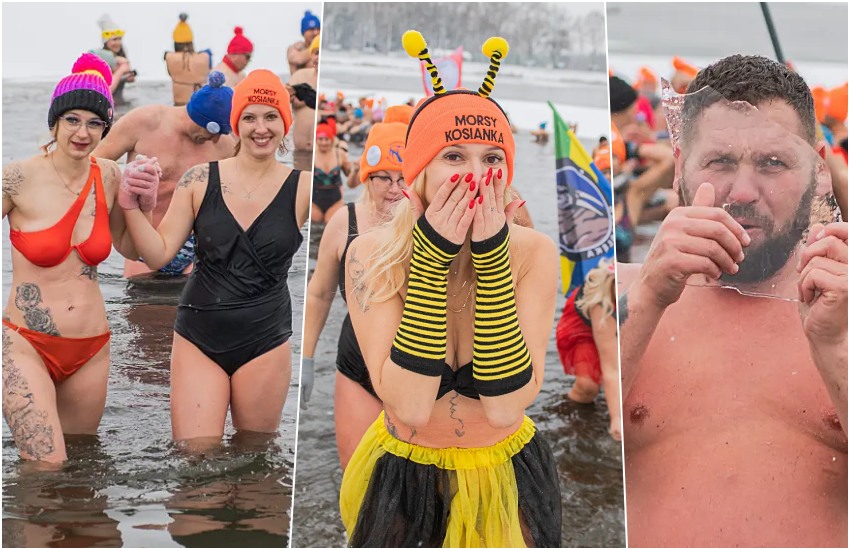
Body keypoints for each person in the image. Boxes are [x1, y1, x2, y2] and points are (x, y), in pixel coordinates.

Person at [339, 32, 561, 547]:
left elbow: (507, 406)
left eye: (491, 159)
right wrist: (434, 257)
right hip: (405, 468)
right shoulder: (368, 254)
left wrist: (492, 259)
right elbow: (410, 406)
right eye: (454, 157)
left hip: (506, 471)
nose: (476, 176)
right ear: (419, 172)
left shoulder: (534, 253)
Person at [618, 54, 847, 547]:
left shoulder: (844, 308)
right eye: (720, 161)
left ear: (816, 170)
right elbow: (567, 439)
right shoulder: (622, 292)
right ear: (681, 164)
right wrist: (650, 297)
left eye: (773, 162)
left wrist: (835, 350)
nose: (742, 191)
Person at [121, 70, 311, 444]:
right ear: (235, 124)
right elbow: (158, 255)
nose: (261, 127)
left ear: (285, 123)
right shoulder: (199, 180)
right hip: (198, 336)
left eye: (271, 116)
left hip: (266, 340)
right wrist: (133, 206)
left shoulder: (302, 187)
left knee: (255, 460)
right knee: (195, 460)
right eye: (250, 117)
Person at [1, 53, 146, 463]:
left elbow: (131, 249)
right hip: (26, 341)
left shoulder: (110, 176)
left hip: (91, 349)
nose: (83, 132)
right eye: (73, 120)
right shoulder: (18, 176)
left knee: (82, 470)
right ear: (55, 121)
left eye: (95, 122)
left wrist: (143, 204)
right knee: (47, 469)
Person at [301, 105, 412, 468]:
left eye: (403, 178)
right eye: (384, 178)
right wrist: (306, 357)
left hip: (419, 365)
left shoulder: (434, 226)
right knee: (359, 475)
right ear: (367, 178)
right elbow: (318, 293)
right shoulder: (343, 222)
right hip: (356, 363)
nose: (395, 190)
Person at [93, 71, 236, 277]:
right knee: (142, 307)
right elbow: (96, 164)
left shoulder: (226, 147)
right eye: (212, 133)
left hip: (193, 251)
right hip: (141, 244)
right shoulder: (145, 121)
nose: (214, 141)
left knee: (187, 308)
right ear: (198, 117)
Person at [555, 260, 621, 440]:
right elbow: (611, 368)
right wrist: (617, 419)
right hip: (580, 328)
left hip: (612, 320)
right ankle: (568, 412)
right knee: (587, 386)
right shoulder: (603, 303)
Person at [164, 13, 213, 107]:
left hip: (179, 105)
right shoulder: (204, 57)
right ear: (191, 43)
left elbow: (170, 71)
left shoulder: (170, 57)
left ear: (175, 44)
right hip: (199, 104)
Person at [311, 120, 350, 224]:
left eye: (326, 139)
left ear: (332, 140)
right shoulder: (312, 155)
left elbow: (349, 175)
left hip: (335, 200)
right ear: (316, 140)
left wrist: (353, 166)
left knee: (331, 225)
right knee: (315, 230)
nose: (323, 142)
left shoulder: (339, 154)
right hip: (314, 202)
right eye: (320, 139)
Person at [288, 35, 319, 158]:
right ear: (311, 56)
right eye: (316, 53)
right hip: (299, 152)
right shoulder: (300, 76)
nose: (319, 58)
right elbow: (286, 95)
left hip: (319, 151)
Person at [96, 14, 135, 99]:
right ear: (106, 42)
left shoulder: (122, 54)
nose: (118, 43)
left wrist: (128, 77)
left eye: (119, 39)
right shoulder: (101, 58)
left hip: (119, 99)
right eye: (114, 40)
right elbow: (106, 91)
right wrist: (121, 70)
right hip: (107, 101)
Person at [287, 10, 321, 76]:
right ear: (303, 32)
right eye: (311, 29)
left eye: (318, 29)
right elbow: (295, 59)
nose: (315, 32)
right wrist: (315, 47)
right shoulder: (296, 48)